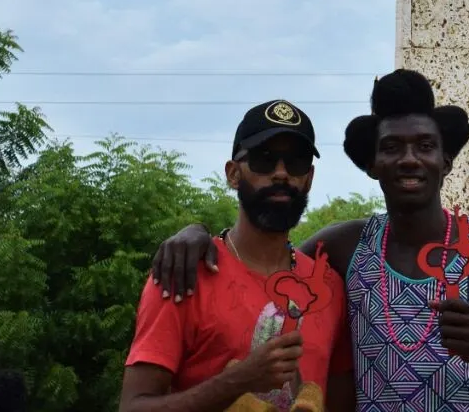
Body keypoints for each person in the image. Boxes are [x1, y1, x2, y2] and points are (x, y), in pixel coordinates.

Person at [151, 72, 469, 412]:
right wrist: (198, 233)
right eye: (391, 148)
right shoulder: (345, 249)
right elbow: (267, 260)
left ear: (446, 160)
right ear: (371, 166)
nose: (409, 159)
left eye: (424, 145)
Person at [121, 99, 353, 412]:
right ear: (233, 174)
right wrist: (238, 381)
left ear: (308, 178)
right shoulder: (185, 273)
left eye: (295, 162)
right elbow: (133, 406)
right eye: (264, 160)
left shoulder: (328, 287)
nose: (281, 174)